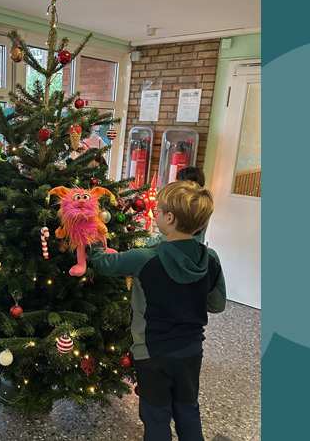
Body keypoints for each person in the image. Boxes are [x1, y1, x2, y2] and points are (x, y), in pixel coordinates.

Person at [88, 180, 225, 441]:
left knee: (156, 415)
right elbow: (216, 305)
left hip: (152, 352)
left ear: (170, 218)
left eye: (159, 211)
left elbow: (104, 263)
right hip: (191, 350)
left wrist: (92, 234)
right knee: (188, 409)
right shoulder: (211, 259)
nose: (156, 215)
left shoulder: (144, 259)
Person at [144, 166, 207, 246]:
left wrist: (139, 242)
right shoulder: (203, 206)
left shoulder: (179, 208)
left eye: (159, 211)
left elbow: (161, 240)